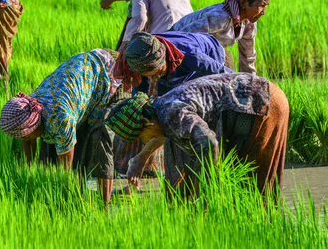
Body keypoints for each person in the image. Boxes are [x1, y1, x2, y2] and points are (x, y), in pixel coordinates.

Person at [106, 73, 289, 200]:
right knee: (240, 182)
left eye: (141, 137)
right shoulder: (160, 108)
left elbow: (208, 143)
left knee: (255, 185)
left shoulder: (172, 112)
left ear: (146, 123)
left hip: (262, 101)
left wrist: (201, 187)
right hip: (256, 97)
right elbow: (163, 133)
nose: (144, 141)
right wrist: (141, 158)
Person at [0, 49, 121, 203]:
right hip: (75, 77)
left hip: (102, 71)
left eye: (26, 135)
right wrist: (28, 174)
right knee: (48, 156)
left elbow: (66, 168)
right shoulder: (30, 107)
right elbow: (27, 141)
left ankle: (104, 203)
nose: (25, 139)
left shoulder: (60, 118)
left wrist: (66, 188)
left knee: (96, 139)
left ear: (34, 125)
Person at [111, 31, 233, 179]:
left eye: (157, 71)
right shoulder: (138, 59)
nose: (155, 77)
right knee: (168, 117)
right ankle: (179, 175)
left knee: (202, 119)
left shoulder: (191, 56)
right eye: (150, 75)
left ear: (162, 60)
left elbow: (227, 76)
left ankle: (211, 170)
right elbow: (140, 102)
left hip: (214, 58)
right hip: (171, 67)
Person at [171, 0, 274, 74]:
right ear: (244, 2)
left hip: (208, 52)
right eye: (262, 5)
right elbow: (184, 39)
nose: (264, 12)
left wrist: (250, 83)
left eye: (266, 6)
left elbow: (248, 56)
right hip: (176, 47)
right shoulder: (219, 17)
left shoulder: (249, 23)